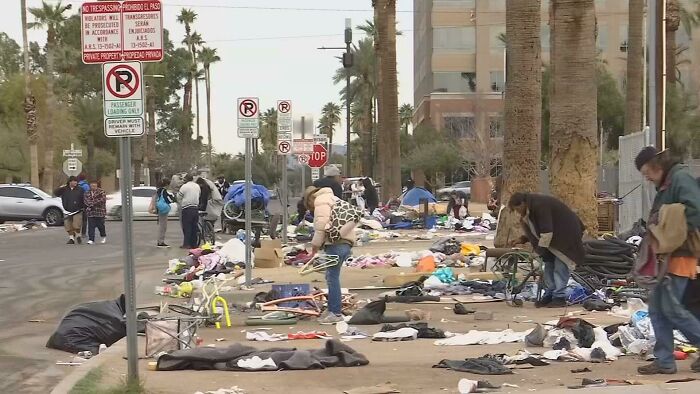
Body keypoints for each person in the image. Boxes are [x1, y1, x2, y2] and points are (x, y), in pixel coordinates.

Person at [633, 147, 700, 375]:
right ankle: (664, 360)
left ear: (656, 166)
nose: (647, 177)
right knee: (657, 310)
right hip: (667, 257)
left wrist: (670, 234)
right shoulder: (667, 183)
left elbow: (695, 211)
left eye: (646, 172)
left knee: (672, 310)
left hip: (680, 255)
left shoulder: (680, 179)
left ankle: (665, 359)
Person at [508, 192, 585, 308]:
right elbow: (536, 230)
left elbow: (546, 231)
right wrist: (523, 239)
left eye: (517, 209)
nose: (518, 212)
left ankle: (559, 297)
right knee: (549, 266)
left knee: (560, 266)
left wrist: (541, 249)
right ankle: (550, 294)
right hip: (551, 239)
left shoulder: (540, 205)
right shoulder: (531, 209)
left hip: (565, 236)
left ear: (522, 204)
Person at [305, 186, 357, 325]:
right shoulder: (333, 198)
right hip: (346, 241)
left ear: (311, 198)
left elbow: (321, 225)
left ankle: (335, 312)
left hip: (336, 243)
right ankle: (332, 309)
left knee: (332, 277)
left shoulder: (321, 201)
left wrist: (315, 246)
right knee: (331, 276)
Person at [54, 176, 85, 244]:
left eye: (76, 181)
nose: (75, 182)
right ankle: (71, 238)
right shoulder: (64, 189)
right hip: (67, 210)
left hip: (77, 210)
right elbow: (56, 193)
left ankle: (78, 236)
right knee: (68, 226)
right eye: (73, 181)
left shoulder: (80, 189)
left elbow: (84, 198)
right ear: (69, 182)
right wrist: (61, 187)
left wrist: (83, 207)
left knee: (76, 225)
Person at [177, 174, 201, 249]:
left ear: (186, 179)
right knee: (194, 226)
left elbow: (179, 197)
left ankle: (186, 244)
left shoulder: (184, 186)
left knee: (187, 227)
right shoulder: (197, 186)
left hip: (187, 208)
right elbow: (199, 195)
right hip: (195, 208)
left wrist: (181, 204)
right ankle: (194, 244)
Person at [83, 180, 107, 244]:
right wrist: (90, 204)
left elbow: (102, 200)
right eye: (91, 186)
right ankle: (91, 239)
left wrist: (92, 203)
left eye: (94, 186)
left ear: (97, 185)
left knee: (100, 225)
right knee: (91, 226)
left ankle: (103, 236)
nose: (93, 187)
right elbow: (86, 200)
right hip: (91, 212)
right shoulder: (87, 193)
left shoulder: (101, 192)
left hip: (100, 212)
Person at [156, 178, 175, 247]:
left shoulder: (159, 190)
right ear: (167, 184)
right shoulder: (163, 191)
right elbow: (167, 199)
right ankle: (160, 242)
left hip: (160, 209)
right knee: (163, 226)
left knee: (162, 225)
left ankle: (160, 241)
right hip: (163, 210)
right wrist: (173, 199)